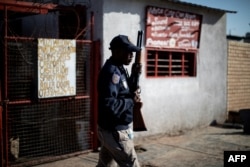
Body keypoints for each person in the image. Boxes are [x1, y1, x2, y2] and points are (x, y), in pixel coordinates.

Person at [96, 35, 141, 167]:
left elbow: (124, 92)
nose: (131, 55)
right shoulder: (112, 73)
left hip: (111, 130)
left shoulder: (119, 68)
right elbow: (110, 105)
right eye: (128, 51)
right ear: (116, 51)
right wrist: (131, 101)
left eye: (132, 52)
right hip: (115, 131)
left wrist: (134, 75)